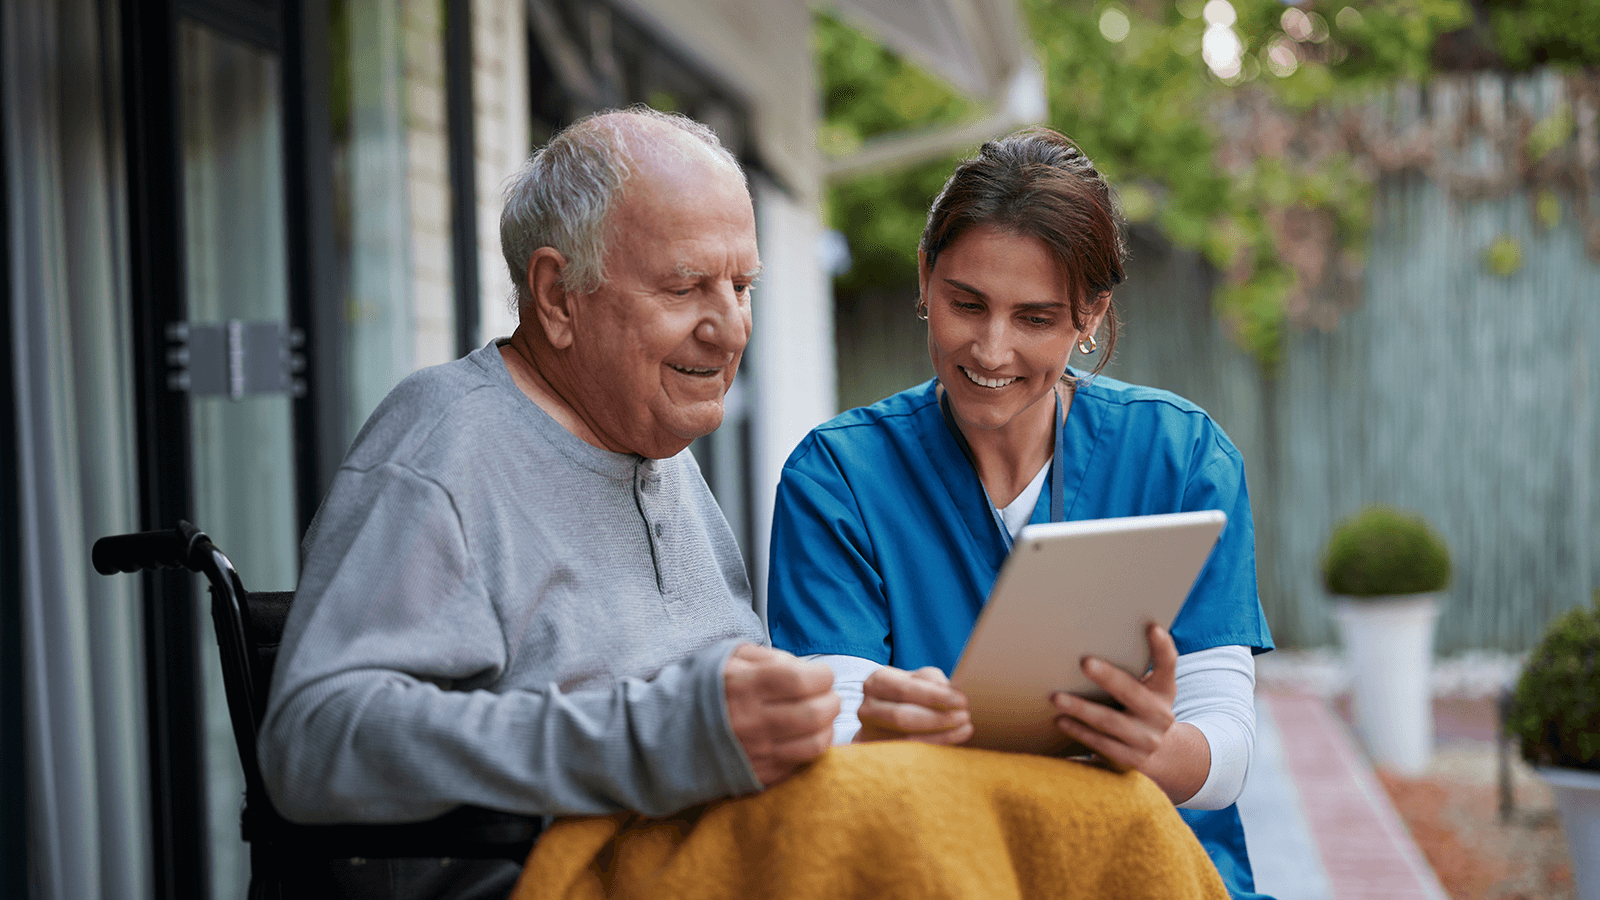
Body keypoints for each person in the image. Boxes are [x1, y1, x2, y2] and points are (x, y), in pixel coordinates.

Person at [258, 106, 839, 898]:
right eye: (687, 286)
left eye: (742, 286)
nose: (732, 328)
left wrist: (843, 720)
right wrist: (648, 741)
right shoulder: (444, 447)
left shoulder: (652, 442)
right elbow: (314, 740)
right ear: (559, 296)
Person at [766, 127, 1276, 900]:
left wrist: (1155, 748)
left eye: (1035, 319)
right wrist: (874, 732)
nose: (992, 351)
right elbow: (833, 741)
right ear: (924, 277)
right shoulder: (838, 477)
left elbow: (1227, 751)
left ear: (1091, 315)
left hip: (1139, 870)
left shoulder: (1180, 457)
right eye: (965, 304)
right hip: (937, 869)